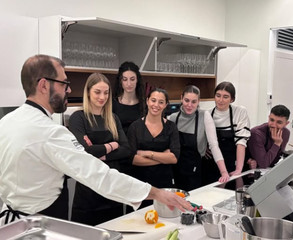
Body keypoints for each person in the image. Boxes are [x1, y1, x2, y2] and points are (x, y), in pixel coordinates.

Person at [0, 54, 192, 225]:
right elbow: (99, 174)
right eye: (64, 83)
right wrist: (157, 193)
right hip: (42, 224)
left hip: (10, 225)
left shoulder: (6, 122)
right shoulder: (51, 133)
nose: (68, 90)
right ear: (43, 85)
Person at [68, 73, 132, 225]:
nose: (102, 97)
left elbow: (126, 149)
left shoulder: (113, 118)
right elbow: (84, 152)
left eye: (106, 92)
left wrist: (101, 153)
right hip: (87, 191)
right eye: (97, 92)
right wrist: (112, 145)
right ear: (88, 92)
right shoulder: (78, 118)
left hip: (112, 189)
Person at [167, 85, 229, 191]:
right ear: (181, 98)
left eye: (194, 102)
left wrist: (224, 172)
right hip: (174, 170)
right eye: (186, 100)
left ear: (198, 101)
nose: (189, 105)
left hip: (194, 172)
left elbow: (214, 145)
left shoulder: (204, 116)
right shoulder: (172, 118)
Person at [127, 88, 180, 206]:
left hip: (164, 183)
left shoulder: (171, 127)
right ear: (147, 101)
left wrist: (147, 153)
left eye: (161, 102)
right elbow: (133, 159)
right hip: (140, 185)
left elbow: (174, 158)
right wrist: (163, 157)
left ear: (166, 105)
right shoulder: (135, 127)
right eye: (153, 100)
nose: (156, 105)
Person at [203, 81, 251, 184]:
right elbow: (207, 140)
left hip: (232, 160)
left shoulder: (240, 112)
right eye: (218, 95)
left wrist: (239, 169)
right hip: (212, 161)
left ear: (232, 99)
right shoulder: (207, 113)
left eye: (225, 97)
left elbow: (241, 142)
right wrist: (203, 147)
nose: (220, 100)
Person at [246, 104, 290, 169]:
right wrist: (277, 143)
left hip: (268, 170)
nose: (273, 125)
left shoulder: (286, 133)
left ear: (286, 124)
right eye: (271, 120)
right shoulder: (256, 133)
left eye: (279, 122)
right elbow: (263, 164)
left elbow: (276, 158)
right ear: (268, 117)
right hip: (250, 172)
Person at [113, 61, 145, 135]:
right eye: (125, 79)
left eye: (132, 79)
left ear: (137, 80)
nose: (129, 84)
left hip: (139, 145)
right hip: (119, 144)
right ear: (120, 81)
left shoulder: (145, 104)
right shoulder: (113, 104)